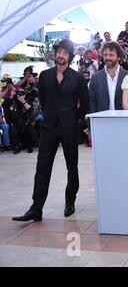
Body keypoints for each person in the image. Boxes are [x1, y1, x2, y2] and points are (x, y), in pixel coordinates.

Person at [12, 39, 89, 222]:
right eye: (59, 52)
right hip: (49, 128)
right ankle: (36, 208)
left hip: (69, 128)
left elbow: (84, 105)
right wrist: (51, 116)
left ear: (70, 56)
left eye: (65, 53)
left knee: (72, 166)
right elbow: (44, 101)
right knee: (42, 167)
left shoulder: (78, 78)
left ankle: (70, 202)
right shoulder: (45, 76)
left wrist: (72, 119)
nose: (61, 55)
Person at [89, 42, 128, 113]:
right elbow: (91, 102)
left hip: (123, 121)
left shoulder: (127, 76)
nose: (107, 58)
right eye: (105, 55)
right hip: (101, 121)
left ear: (118, 57)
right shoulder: (95, 78)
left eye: (111, 55)